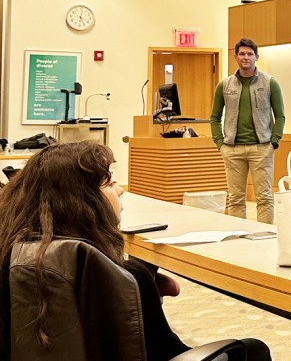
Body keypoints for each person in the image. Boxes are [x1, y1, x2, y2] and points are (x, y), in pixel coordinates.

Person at [0, 142, 271, 360]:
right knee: (253, 349)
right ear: (79, 201)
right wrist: (139, 285)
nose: (120, 190)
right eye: (108, 183)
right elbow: (171, 353)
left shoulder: (14, 252)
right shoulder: (117, 276)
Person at [210, 38, 286, 224]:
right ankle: (238, 237)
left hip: (261, 149)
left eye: (250, 54)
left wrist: (273, 142)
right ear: (236, 57)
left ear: (256, 57)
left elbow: (280, 116)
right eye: (242, 54)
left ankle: (263, 236)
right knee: (235, 199)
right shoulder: (225, 85)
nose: (246, 57)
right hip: (232, 150)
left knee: (264, 198)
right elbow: (214, 117)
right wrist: (220, 143)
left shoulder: (270, 83)